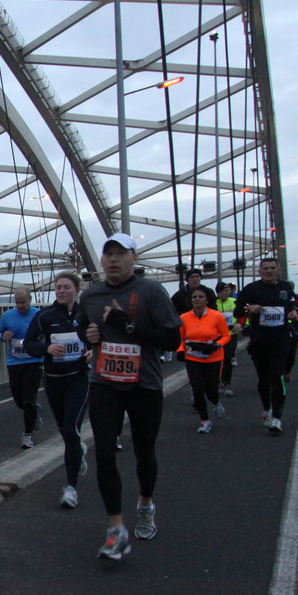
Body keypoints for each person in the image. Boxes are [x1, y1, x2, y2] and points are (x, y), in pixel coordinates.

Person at [80, 234, 182, 560]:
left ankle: (146, 504)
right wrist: (88, 334)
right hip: (104, 382)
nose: (113, 259)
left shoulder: (151, 291)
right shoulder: (90, 295)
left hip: (144, 384)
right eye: (107, 254)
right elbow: (82, 326)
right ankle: (116, 529)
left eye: (120, 253)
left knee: (144, 452)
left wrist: (129, 328)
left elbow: (172, 339)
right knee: (104, 453)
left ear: (134, 258)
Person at [24, 271, 91, 507]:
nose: (61, 291)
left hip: (78, 378)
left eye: (66, 287)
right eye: (58, 287)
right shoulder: (45, 316)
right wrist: (47, 348)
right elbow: (29, 343)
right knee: (66, 432)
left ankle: (71, 488)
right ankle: (77, 451)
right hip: (53, 380)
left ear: (77, 290)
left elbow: (99, 338)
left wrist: (93, 350)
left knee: (71, 430)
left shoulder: (86, 314)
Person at [233, 257, 298, 435]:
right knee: (264, 378)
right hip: (260, 339)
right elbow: (238, 311)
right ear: (260, 271)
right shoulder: (251, 289)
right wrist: (249, 308)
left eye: (272, 268)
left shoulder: (286, 287)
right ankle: (266, 409)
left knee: (277, 376)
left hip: (280, 337)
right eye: (265, 268)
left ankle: (277, 418)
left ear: (279, 270)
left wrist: (294, 312)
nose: (269, 271)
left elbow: (292, 304)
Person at [178, 287, 231, 433]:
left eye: (201, 297)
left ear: (207, 300)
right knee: (197, 388)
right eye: (194, 297)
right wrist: (180, 350)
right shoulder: (184, 317)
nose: (197, 299)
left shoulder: (216, 316)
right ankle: (205, 421)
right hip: (193, 356)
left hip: (212, 356)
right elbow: (180, 338)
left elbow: (226, 336)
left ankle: (215, 402)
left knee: (211, 389)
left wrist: (216, 345)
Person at [0, 287, 44, 448]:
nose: (20, 306)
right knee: (19, 400)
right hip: (14, 361)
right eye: (17, 302)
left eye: (23, 302)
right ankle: (34, 411)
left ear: (30, 299)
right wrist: (3, 337)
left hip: (34, 361)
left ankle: (27, 435)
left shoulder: (39, 315)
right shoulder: (7, 315)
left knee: (29, 398)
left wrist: (40, 345)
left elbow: (48, 334)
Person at [214, 282, 239, 397]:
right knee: (216, 360)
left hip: (230, 334)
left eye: (228, 290)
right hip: (216, 336)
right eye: (224, 291)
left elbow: (241, 315)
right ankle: (217, 382)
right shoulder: (213, 304)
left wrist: (240, 324)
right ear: (218, 293)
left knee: (228, 358)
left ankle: (226, 382)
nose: (227, 293)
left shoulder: (234, 302)